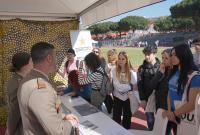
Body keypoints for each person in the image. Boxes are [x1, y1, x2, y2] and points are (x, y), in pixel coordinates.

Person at [17, 42, 79, 135]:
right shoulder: (40, 89)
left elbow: (43, 112)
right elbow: (57, 131)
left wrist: (63, 116)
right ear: (49, 58)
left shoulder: (29, 78)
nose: (57, 60)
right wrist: (71, 123)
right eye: (55, 56)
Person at [163, 44, 200, 135]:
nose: (172, 57)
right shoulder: (174, 71)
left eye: (175, 54)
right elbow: (169, 92)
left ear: (183, 55)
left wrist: (174, 114)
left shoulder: (195, 77)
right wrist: (169, 111)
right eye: (171, 54)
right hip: (173, 114)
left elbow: (192, 103)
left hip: (185, 116)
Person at [6, 52, 33, 135]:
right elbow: (15, 111)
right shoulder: (17, 84)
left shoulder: (24, 79)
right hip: (23, 127)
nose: (33, 63)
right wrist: (10, 130)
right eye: (31, 61)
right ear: (25, 65)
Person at [111, 51, 137, 129]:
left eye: (123, 59)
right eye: (119, 59)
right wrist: (130, 87)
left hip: (128, 98)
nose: (120, 61)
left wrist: (130, 86)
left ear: (126, 60)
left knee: (127, 118)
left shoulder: (131, 71)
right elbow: (118, 87)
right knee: (116, 118)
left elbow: (135, 83)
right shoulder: (114, 70)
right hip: (117, 97)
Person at [137, 45, 160, 130]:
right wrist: (143, 99)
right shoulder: (141, 68)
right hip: (147, 98)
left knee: (161, 122)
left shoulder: (162, 66)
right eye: (145, 54)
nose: (146, 56)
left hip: (160, 99)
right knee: (150, 121)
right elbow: (140, 85)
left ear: (155, 54)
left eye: (149, 54)